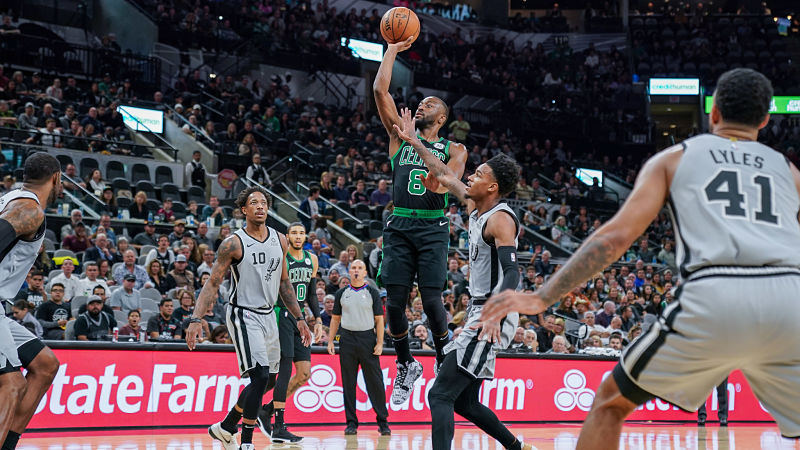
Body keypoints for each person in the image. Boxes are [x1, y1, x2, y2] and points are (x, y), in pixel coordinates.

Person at [481, 69, 800, 448]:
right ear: (765, 120)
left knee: (610, 403)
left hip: (716, 292)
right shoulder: (789, 171)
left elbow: (614, 237)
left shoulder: (676, 158)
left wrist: (542, 297)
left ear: (712, 113)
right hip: (790, 296)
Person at [394, 111, 530, 450]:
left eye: (479, 174)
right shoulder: (474, 204)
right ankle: (518, 447)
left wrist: (495, 312)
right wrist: (415, 142)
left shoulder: (500, 220)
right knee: (463, 402)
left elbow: (513, 272)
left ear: (493, 187)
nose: (470, 175)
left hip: (492, 311)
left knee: (439, 394)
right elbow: (442, 174)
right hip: (480, 310)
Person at [374, 37, 468, 405]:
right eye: (421, 102)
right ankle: (406, 364)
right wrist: (393, 49)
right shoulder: (398, 136)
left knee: (431, 300)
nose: (421, 105)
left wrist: (415, 143)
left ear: (441, 119)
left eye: (430, 104)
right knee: (394, 303)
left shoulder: (454, 148)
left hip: (432, 226)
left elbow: (450, 178)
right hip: (399, 223)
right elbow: (380, 89)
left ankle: (445, 357)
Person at [185, 187, 312, 450]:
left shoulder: (281, 240)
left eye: (264, 202)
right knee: (260, 376)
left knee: (273, 378)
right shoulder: (233, 243)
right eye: (254, 203)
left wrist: (300, 317)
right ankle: (246, 442)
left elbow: (285, 284)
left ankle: (226, 426)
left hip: (269, 315)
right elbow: (213, 283)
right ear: (244, 210)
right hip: (243, 313)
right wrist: (196, 319)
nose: (260, 206)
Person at [0, 152, 62, 450]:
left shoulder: (12, 198)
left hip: (1, 309)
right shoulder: (30, 210)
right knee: (11, 384)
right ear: (56, 179)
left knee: (45, 364)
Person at [257, 223, 321, 443]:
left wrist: (318, 318)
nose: (298, 236)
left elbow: (311, 293)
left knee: (304, 373)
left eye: (301, 233)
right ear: (287, 236)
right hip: (281, 314)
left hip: (301, 318)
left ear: (305, 237)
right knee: (284, 369)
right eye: (294, 233)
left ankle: (265, 410)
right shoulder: (281, 258)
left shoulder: (312, 259)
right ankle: (279, 426)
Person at [326, 260, 390, 436]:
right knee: (349, 383)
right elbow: (335, 319)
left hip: (367, 339)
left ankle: (383, 422)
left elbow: (379, 319)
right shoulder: (341, 293)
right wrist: (331, 341)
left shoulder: (372, 293)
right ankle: (351, 423)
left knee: (375, 383)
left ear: (364, 273)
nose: (356, 270)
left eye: (360, 268)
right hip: (347, 339)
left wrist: (379, 342)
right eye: (353, 268)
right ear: (349, 271)